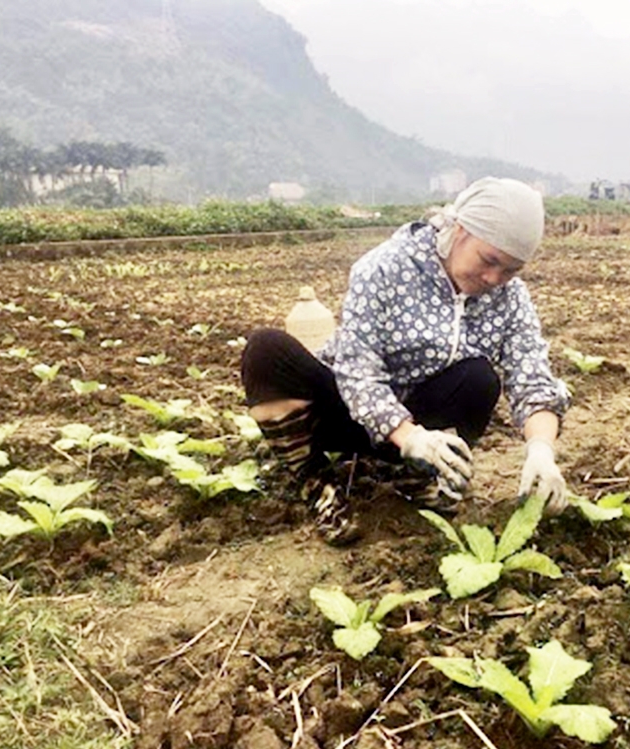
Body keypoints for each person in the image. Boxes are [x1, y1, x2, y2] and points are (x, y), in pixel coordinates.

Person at [240, 176, 570, 545]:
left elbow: (532, 377)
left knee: (479, 377)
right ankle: (316, 483)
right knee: (265, 350)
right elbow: (357, 372)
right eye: (489, 260)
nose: (495, 278)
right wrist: (409, 436)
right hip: (348, 415)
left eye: (511, 269)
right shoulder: (384, 268)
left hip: (424, 430)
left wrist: (541, 450)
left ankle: (417, 475)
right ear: (460, 230)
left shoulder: (510, 298)